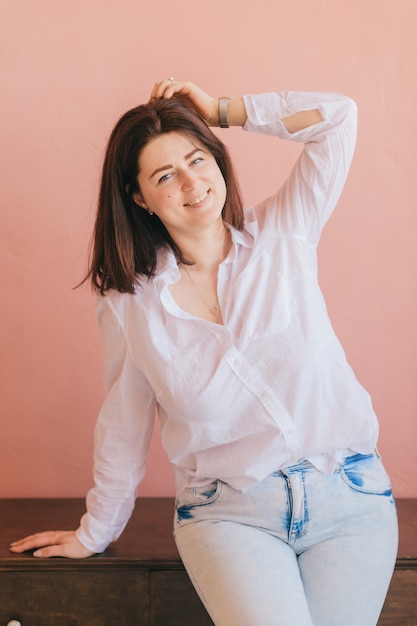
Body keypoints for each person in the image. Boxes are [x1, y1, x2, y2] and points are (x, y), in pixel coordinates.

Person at [10, 78, 398, 625]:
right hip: (231, 515)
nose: (192, 183)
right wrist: (95, 531)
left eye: (198, 159)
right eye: (166, 175)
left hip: (350, 498)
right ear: (138, 197)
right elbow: (123, 423)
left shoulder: (284, 233)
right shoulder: (129, 304)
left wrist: (222, 110)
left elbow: (339, 117)